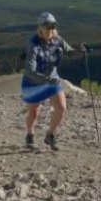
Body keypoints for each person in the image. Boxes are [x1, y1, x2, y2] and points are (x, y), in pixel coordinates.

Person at [21, 11, 83, 150]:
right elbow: (31, 70)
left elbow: (69, 50)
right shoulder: (34, 44)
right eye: (46, 26)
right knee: (34, 111)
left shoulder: (58, 40)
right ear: (40, 28)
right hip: (34, 81)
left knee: (61, 108)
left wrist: (81, 49)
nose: (50, 29)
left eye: (52, 26)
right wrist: (47, 80)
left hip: (52, 79)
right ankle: (29, 134)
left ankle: (50, 134)